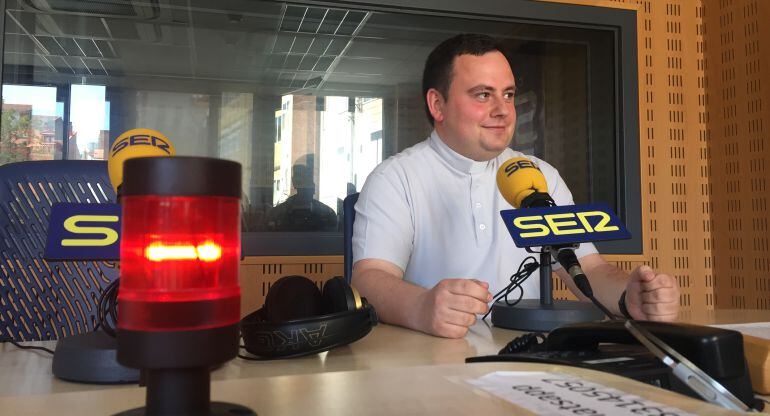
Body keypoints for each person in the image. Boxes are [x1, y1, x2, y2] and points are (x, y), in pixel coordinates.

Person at [351, 34, 679, 339]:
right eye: (483, 95)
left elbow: (587, 268)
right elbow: (368, 279)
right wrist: (421, 307)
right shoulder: (396, 178)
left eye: (508, 94)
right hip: (435, 363)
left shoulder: (541, 176)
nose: (503, 111)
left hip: (530, 358)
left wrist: (628, 298)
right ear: (438, 105)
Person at [264, 157, 337, 232]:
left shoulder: (327, 214)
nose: (307, 183)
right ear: (294, 181)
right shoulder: (277, 214)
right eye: (301, 178)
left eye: (309, 178)